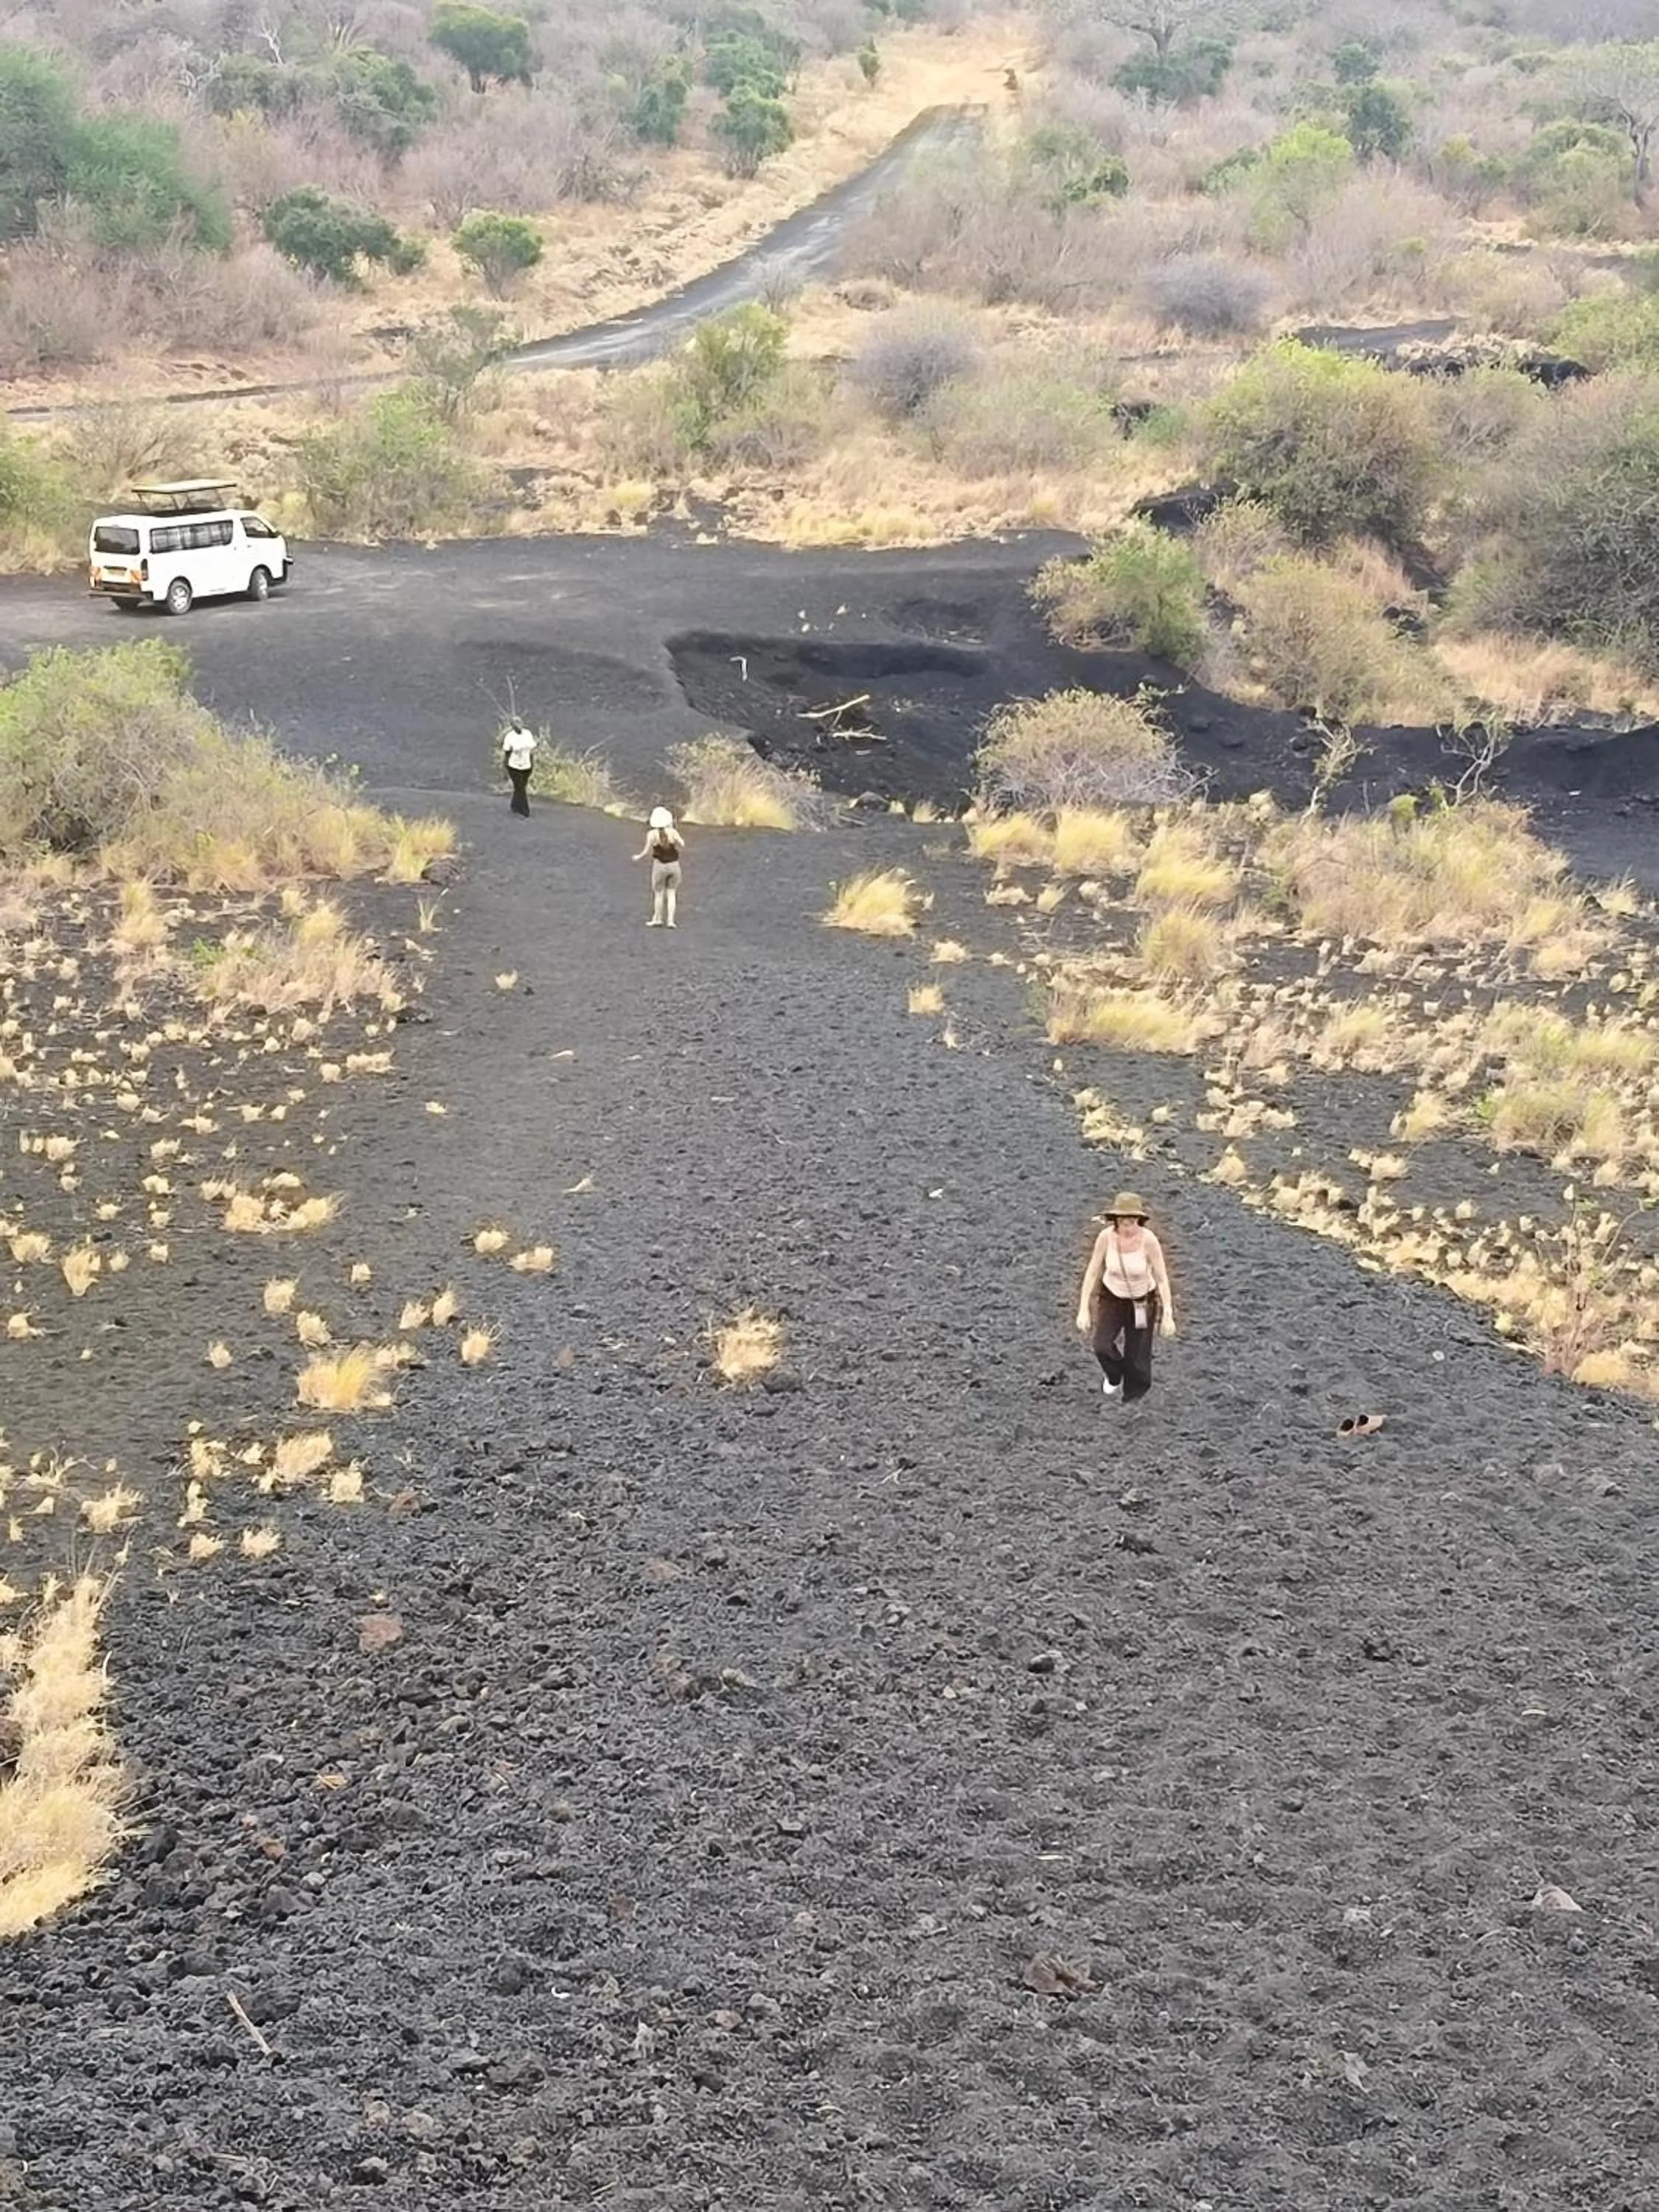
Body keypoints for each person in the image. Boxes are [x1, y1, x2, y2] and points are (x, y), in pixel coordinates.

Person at [1075, 1192, 1175, 1404]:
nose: (1127, 1227)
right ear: (1116, 1221)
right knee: (1101, 1345)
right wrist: (1083, 1308)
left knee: (1137, 1356)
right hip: (1112, 1298)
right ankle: (1114, 1375)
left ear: (1139, 1220)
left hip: (1142, 1301)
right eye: (1122, 1221)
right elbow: (1092, 1271)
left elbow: (1162, 1278)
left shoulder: (1149, 1241)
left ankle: (1133, 1400)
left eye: (1132, 1221)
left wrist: (1168, 1314)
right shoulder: (1106, 1238)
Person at [634, 807, 684, 928]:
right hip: (674, 866)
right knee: (672, 893)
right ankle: (671, 921)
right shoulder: (673, 833)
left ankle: (657, 919)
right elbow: (683, 844)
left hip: (660, 866)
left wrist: (638, 857)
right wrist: (673, 830)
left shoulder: (651, 834)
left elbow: (646, 851)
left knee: (659, 894)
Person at [501, 719, 536, 817]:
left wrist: (532, 764)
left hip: (527, 766)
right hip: (514, 766)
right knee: (520, 788)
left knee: (520, 787)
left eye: (519, 723)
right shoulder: (510, 737)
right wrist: (505, 768)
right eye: (515, 724)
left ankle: (515, 806)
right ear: (512, 726)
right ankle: (525, 810)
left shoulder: (528, 734)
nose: (518, 725)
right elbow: (507, 753)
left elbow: (531, 751)